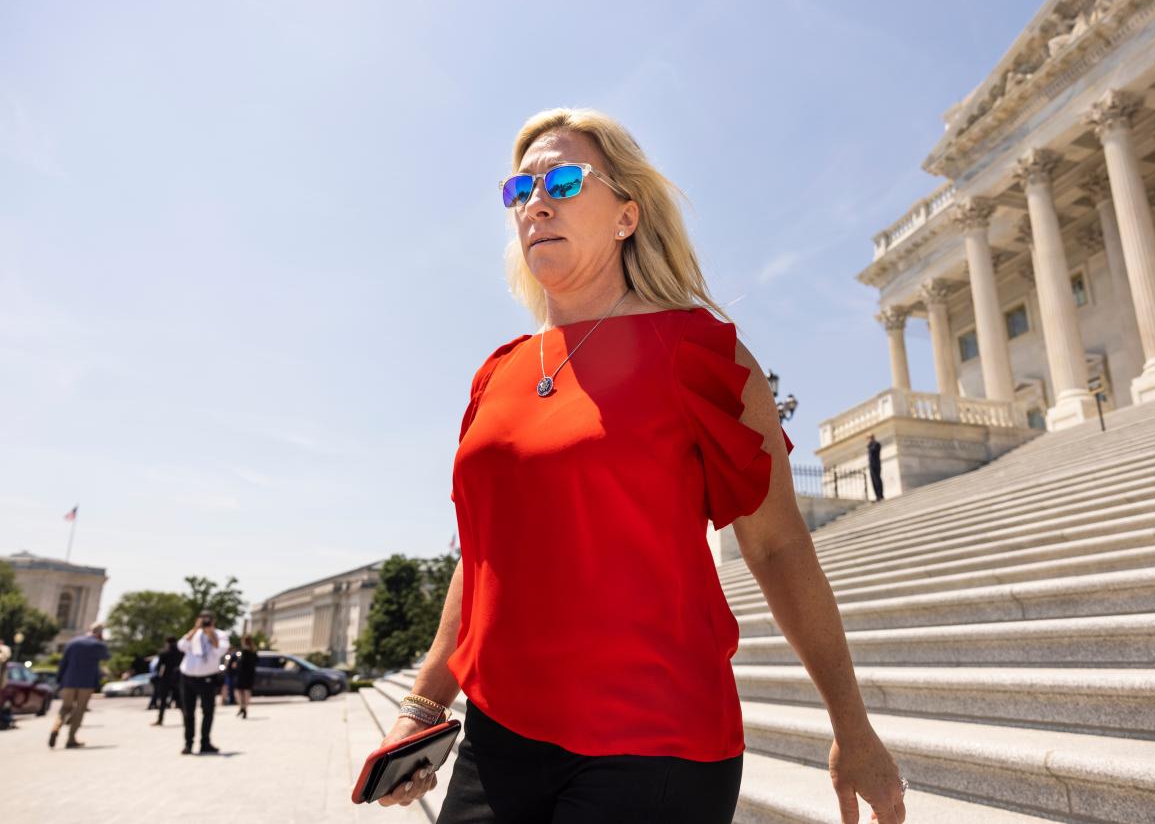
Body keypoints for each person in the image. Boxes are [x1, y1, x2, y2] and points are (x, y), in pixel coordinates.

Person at [375, 108, 907, 824]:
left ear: (626, 215)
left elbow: (778, 547)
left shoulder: (703, 355)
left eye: (563, 179)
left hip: (657, 746)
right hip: (497, 741)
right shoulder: (494, 375)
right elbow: (480, 557)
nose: (536, 203)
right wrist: (423, 700)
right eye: (518, 190)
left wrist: (852, 726)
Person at [50, 621, 110, 749]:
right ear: (100, 633)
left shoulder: (73, 642)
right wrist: (101, 641)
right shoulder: (98, 644)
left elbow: (63, 662)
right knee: (79, 710)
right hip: (86, 683)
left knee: (65, 708)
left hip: (69, 681)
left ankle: (56, 728)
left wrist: (60, 680)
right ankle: (71, 739)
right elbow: (107, 656)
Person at [177, 612, 229, 755]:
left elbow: (220, 650)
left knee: (208, 711)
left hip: (207, 677)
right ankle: (188, 743)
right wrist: (195, 630)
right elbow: (181, 646)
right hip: (187, 677)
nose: (205, 624)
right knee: (188, 712)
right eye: (203, 621)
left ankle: (205, 742)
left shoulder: (220, 634)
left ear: (214, 622)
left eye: (208, 621)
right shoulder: (193, 634)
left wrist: (211, 634)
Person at [151, 636, 182, 726]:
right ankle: (186, 719)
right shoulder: (181, 652)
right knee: (180, 701)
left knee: (163, 701)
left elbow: (158, 667)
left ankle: (160, 720)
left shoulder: (164, 653)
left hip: (166, 679)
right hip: (178, 679)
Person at [234, 635, 257, 719]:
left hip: (242, 674)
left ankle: (242, 707)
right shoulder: (253, 651)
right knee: (247, 691)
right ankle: (245, 708)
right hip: (250, 674)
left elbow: (241, 663)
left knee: (238, 691)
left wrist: (236, 664)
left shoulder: (244, 651)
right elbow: (256, 661)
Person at [867, 433, 885, 501]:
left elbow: (874, 451)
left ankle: (880, 495)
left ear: (872, 438)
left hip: (876, 464)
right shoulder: (870, 446)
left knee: (877, 480)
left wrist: (870, 445)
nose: (868, 440)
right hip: (871, 465)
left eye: (869, 438)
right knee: (873, 480)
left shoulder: (876, 444)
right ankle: (877, 496)